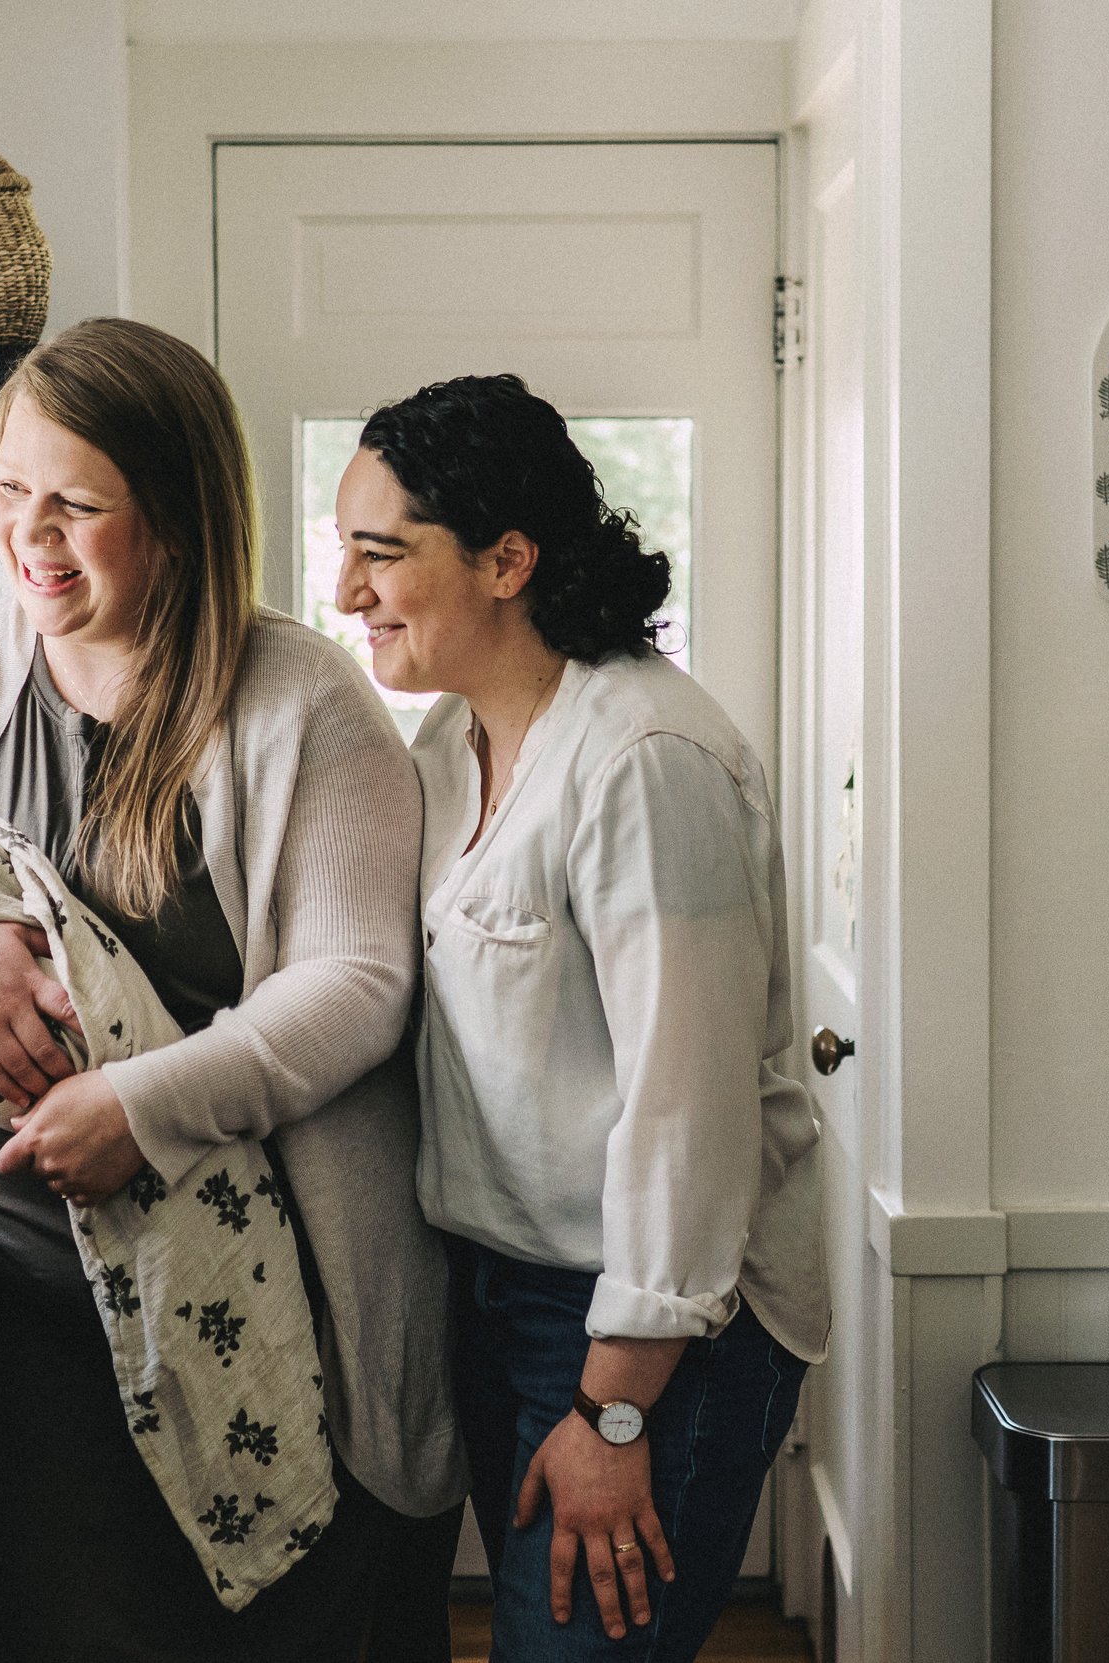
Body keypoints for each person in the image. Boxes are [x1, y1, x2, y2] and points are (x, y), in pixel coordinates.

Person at [0, 318, 464, 1661]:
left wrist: (146, 1100)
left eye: (76, 504)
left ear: (177, 518)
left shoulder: (304, 704)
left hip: (279, 1329)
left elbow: (361, 984)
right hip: (36, 1334)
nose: (31, 534)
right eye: (12, 490)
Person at [333, 375, 830, 1662]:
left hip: (654, 1327)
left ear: (509, 558)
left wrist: (613, 1412)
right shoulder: (448, 747)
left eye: (382, 554)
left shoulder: (648, 760)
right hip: (498, 1294)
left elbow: (690, 1112)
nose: (347, 593)